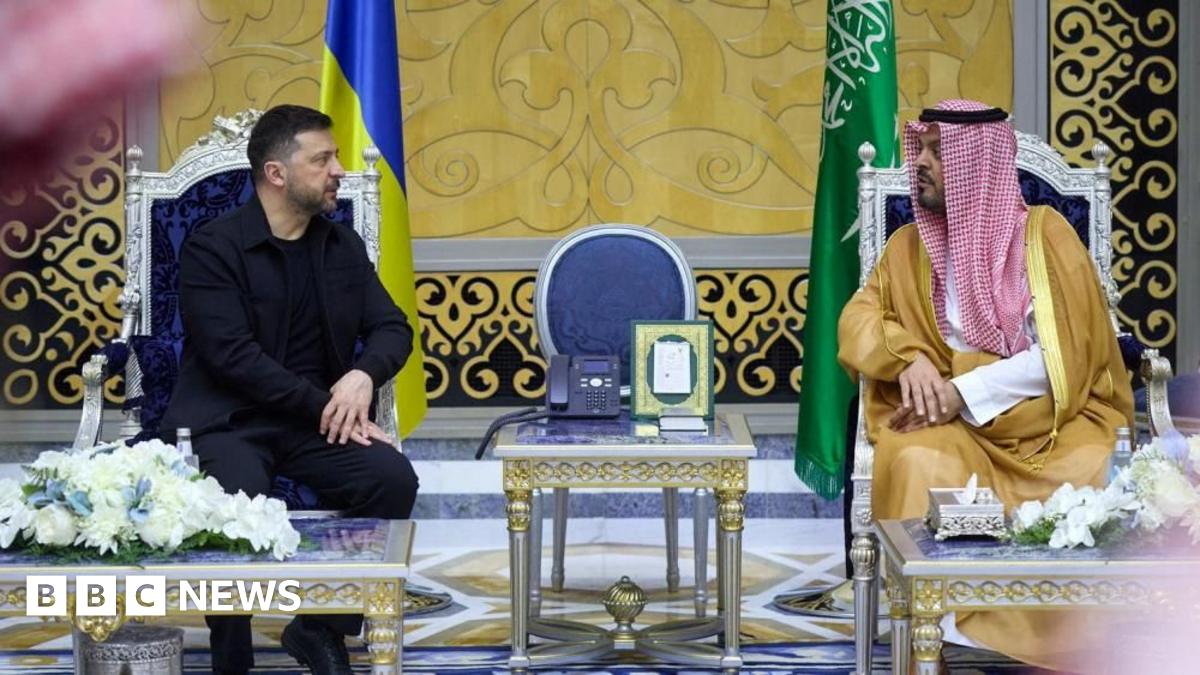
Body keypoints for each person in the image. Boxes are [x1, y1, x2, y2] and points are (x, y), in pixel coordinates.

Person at [837, 99, 1133, 669]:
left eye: (936, 151)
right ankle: (933, 638)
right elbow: (859, 319)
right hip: (946, 422)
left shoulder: (1044, 238)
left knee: (1095, 464)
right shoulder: (907, 247)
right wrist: (908, 363)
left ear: (979, 165)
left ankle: (1076, 644)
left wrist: (962, 391)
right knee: (916, 460)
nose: (917, 162)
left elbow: (1064, 354)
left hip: (1048, 416)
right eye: (919, 147)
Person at [161, 104, 420, 675]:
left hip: (311, 424)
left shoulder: (341, 246)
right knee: (240, 494)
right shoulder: (214, 248)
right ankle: (232, 651)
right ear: (277, 174)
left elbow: (393, 327)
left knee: (391, 478)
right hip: (227, 420)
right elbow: (234, 359)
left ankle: (319, 628)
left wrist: (362, 375)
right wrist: (331, 405)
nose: (339, 170)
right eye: (323, 158)